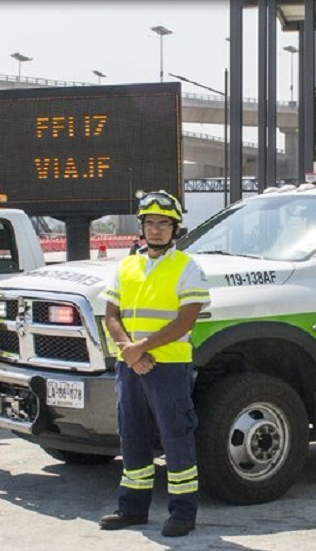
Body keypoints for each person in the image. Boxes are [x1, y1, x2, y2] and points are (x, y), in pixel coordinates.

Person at [97, 190, 210, 538]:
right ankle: (132, 509)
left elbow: (186, 321)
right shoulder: (126, 265)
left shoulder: (187, 267)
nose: (156, 229)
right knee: (132, 436)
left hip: (169, 366)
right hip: (129, 364)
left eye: (164, 223)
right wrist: (127, 348)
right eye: (150, 223)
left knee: (176, 437)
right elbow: (111, 313)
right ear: (142, 227)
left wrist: (141, 348)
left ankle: (182, 513)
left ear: (175, 228)